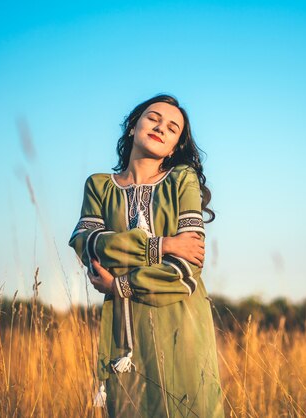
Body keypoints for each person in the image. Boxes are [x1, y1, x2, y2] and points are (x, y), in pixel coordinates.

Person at [68, 94, 225, 417]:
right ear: (132, 127)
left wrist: (119, 284)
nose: (161, 128)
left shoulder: (183, 180)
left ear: (174, 147)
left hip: (182, 325)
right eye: (153, 118)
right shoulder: (99, 186)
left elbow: (184, 271)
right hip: (124, 334)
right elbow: (86, 244)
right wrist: (161, 245)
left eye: (172, 128)